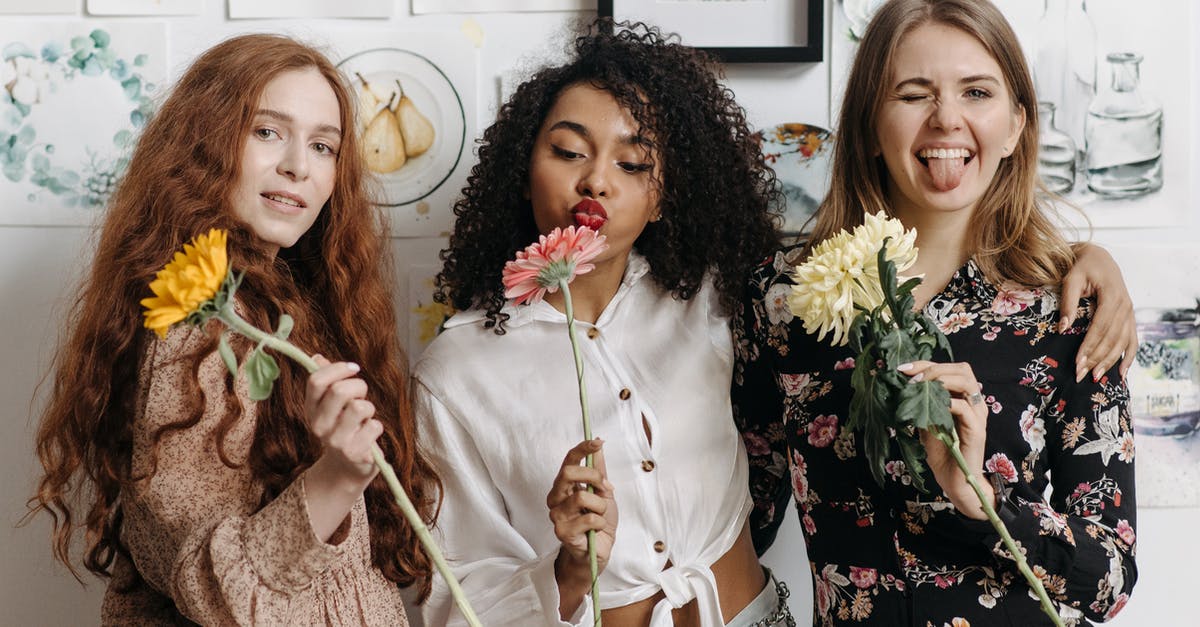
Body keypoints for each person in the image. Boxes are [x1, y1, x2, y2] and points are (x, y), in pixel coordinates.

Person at [733, 1, 1137, 625]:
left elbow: (1110, 581)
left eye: (976, 92)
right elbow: (742, 522)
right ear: (869, 126)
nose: (946, 118)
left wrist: (984, 498)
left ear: (1015, 126)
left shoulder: (1069, 308)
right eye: (914, 94)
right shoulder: (781, 298)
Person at [27, 34, 436, 625]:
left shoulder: (291, 311)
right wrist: (338, 475)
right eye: (267, 131)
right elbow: (217, 591)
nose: (298, 165)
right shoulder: (198, 330)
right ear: (205, 144)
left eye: (323, 146)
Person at [414, 21, 788, 627]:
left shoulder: (715, 299)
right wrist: (567, 571)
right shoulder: (454, 374)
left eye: (633, 163)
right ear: (523, 169)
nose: (596, 180)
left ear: (664, 198)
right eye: (568, 152)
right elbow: (450, 592)